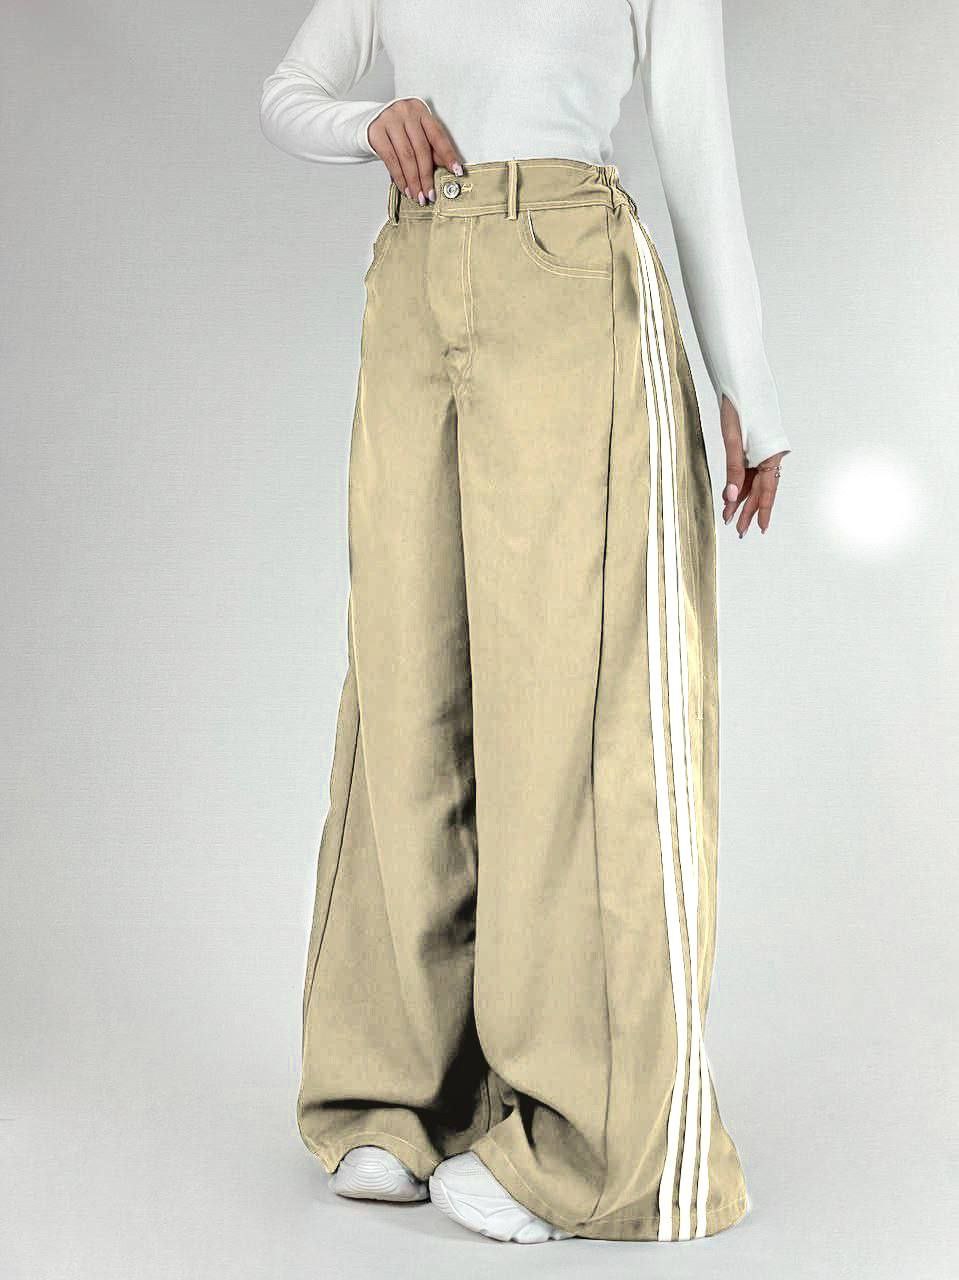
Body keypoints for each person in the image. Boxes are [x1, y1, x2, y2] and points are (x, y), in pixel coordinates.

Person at [259, 0, 791, 1245]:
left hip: (569, 278)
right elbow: (289, 92)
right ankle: (399, 1092)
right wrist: (368, 122)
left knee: (570, 713)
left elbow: (694, 142)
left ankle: (593, 1136)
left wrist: (747, 390)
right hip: (415, 272)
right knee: (406, 694)